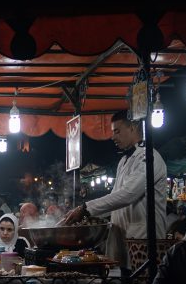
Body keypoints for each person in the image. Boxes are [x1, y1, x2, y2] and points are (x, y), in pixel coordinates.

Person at [64, 110, 168, 272]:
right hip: (123, 241)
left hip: (143, 243)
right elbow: (115, 197)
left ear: (133, 127)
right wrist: (88, 216)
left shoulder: (149, 157)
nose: (113, 137)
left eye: (117, 131)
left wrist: (85, 208)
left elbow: (128, 195)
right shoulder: (124, 161)